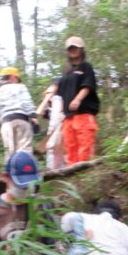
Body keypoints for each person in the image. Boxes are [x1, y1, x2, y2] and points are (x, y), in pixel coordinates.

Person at [44, 36, 99, 166]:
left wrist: (78, 99)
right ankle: (73, 178)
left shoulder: (86, 67)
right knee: (70, 149)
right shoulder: (66, 73)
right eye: (70, 48)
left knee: (85, 146)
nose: (73, 50)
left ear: (81, 49)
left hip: (84, 113)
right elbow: (60, 95)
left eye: (75, 48)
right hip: (68, 117)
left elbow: (88, 86)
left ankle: (86, 175)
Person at [35, 80, 66, 170]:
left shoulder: (60, 100)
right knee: (51, 149)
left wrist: (53, 94)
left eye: (51, 92)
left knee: (56, 148)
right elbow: (39, 112)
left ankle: (58, 169)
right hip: (53, 134)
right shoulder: (49, 109)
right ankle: (52, 169)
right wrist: (46, 98)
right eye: (48, 92)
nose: (50, 95)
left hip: (61, 130)